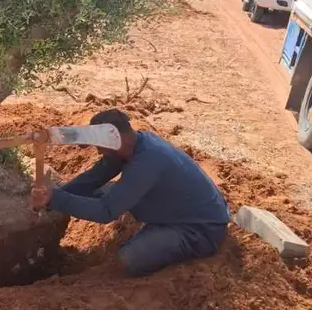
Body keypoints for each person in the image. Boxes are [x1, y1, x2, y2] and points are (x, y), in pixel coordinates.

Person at [32, 108, 230, 277]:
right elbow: (94, 177)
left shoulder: (148, 162)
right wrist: (58, 197)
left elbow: (105, 212)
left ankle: (164, 247)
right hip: (180, 208)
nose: (99, 152)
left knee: (128, 260)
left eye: (100, 146)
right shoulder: (133, 144)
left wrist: (55, 198)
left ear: (114, 139)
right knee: (104, 191)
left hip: (200, 229)